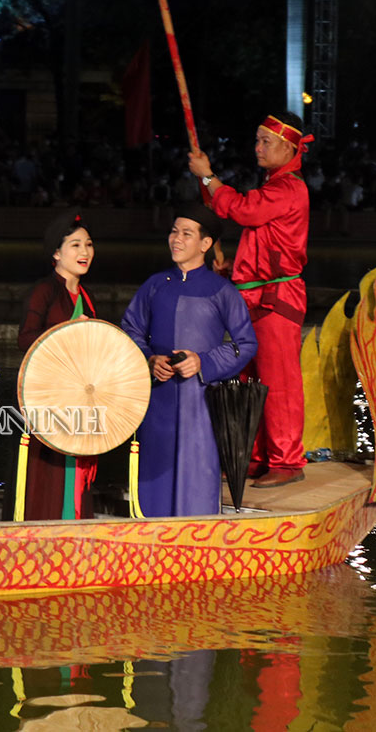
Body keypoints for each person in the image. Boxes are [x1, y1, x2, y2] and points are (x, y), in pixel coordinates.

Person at [188, 111, 310, 488]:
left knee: (278, 380)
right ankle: (258, 458)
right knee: (250, 380)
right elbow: (256, 237)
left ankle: (287, 462)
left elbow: (243, 210)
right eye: (256, 140)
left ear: (289, 147)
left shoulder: (288, 188)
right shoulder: (275, 186)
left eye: (265, 141)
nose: (257, 148)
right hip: (253, 296)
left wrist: (208, 177)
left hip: (277, 297)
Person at [120, 205, 258, 517]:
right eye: (173, 231)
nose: (176, 239)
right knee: (153, 470)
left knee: (198, 472)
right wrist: (149, 358)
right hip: (158, 398)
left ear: (205, 244)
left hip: (202, 403)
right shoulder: (154, 285)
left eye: (186, 233)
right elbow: (130, 330)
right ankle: (148, 535)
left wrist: (204, 362)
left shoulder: (222, 291)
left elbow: (246, 343)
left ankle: (195, 540)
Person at [14, 209, 99, 520]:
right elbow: (25, 339)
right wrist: (67, 332)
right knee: (50, 479)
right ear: (56, 253)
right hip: (50, 401)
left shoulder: (86, 296)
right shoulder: (45, 290)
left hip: (80, 402)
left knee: (79, 473)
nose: (84, 252)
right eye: (75, 245)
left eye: (88, 244)